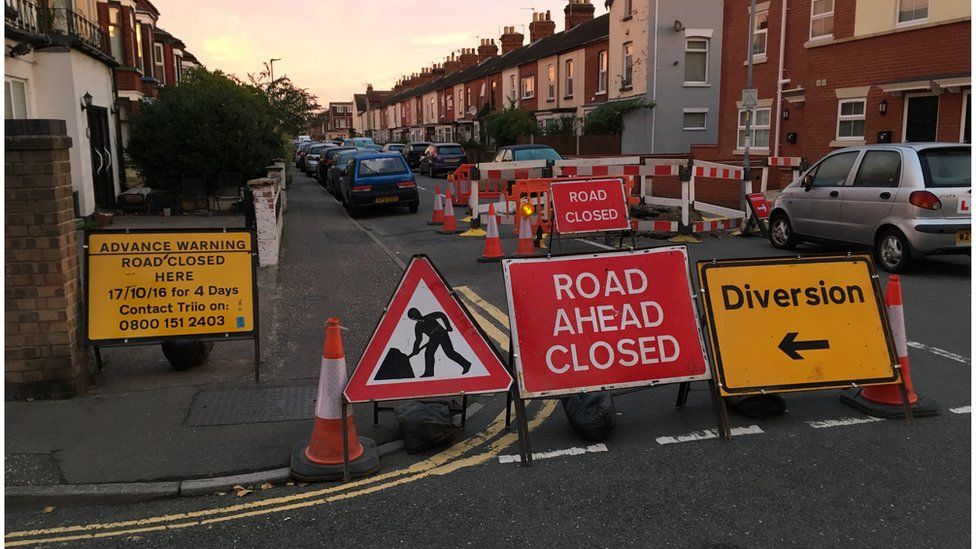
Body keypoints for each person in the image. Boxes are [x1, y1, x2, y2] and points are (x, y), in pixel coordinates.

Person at [407, 308, 471, 378]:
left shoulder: (429, 317)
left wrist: (448, 326)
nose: (416, 316)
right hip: (433, 338)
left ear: (418, 312)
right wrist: (415, 349)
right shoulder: (418, 326)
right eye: (413, 316)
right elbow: (418, 339)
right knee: (428, 353)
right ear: (413, 318)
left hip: (442, 334)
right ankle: (429, 372)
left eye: (416, 314)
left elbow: (441, 315)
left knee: (449, 353)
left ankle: (466, 364)